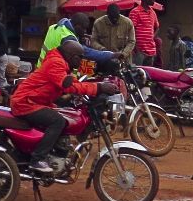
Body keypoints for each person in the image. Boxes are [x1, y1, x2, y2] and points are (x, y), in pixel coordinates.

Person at [10, 39, 117, 174]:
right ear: (72, 56)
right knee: (57, 121)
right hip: (25, 103)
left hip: (36, 101)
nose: (81, 61)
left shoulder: (62, 63)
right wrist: (98, 87)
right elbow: (69, 85)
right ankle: (37, 159)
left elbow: (74, 82)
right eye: (80, 58)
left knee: (65, 113)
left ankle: (56, 152)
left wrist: (96, 85)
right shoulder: (56, 63)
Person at [128, 0, 160, 66]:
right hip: (139, 51)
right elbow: (130, 31)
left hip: (151, 51)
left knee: (148, 75)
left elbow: (157, 27)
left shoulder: (152, 12)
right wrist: (135, 48)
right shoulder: (135, 12)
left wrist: (152, 37)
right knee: (137, 74)